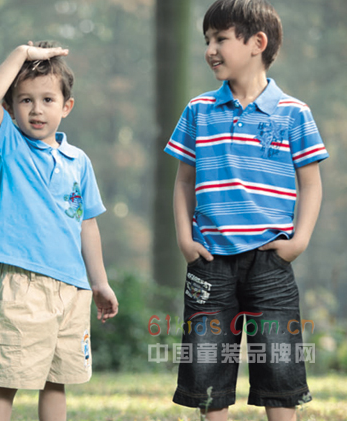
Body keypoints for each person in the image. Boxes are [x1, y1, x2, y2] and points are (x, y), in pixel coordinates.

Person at [164, 1, 328, 420]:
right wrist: (185, 239)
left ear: (257, 42)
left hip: (270, 261)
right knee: (206, 367)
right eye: (207, 40)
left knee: (279, 364)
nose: (210, 50)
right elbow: (183, 181)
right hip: (210, 260)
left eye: (220, 39)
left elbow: (311, 184)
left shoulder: (294, 113)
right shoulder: (198, 111)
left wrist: (299, 241)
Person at [0, 41, 118, 421]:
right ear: (11, 108)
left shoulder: (79, 162)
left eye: (47, 100)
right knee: (7, 379)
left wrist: (99, 283)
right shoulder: (11, 145)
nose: (37, 109)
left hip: (73, 289)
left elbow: (87, 224)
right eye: (25, 100)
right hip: (24, 285)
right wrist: (23, 54)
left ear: (66, 106)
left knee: (57, 381)